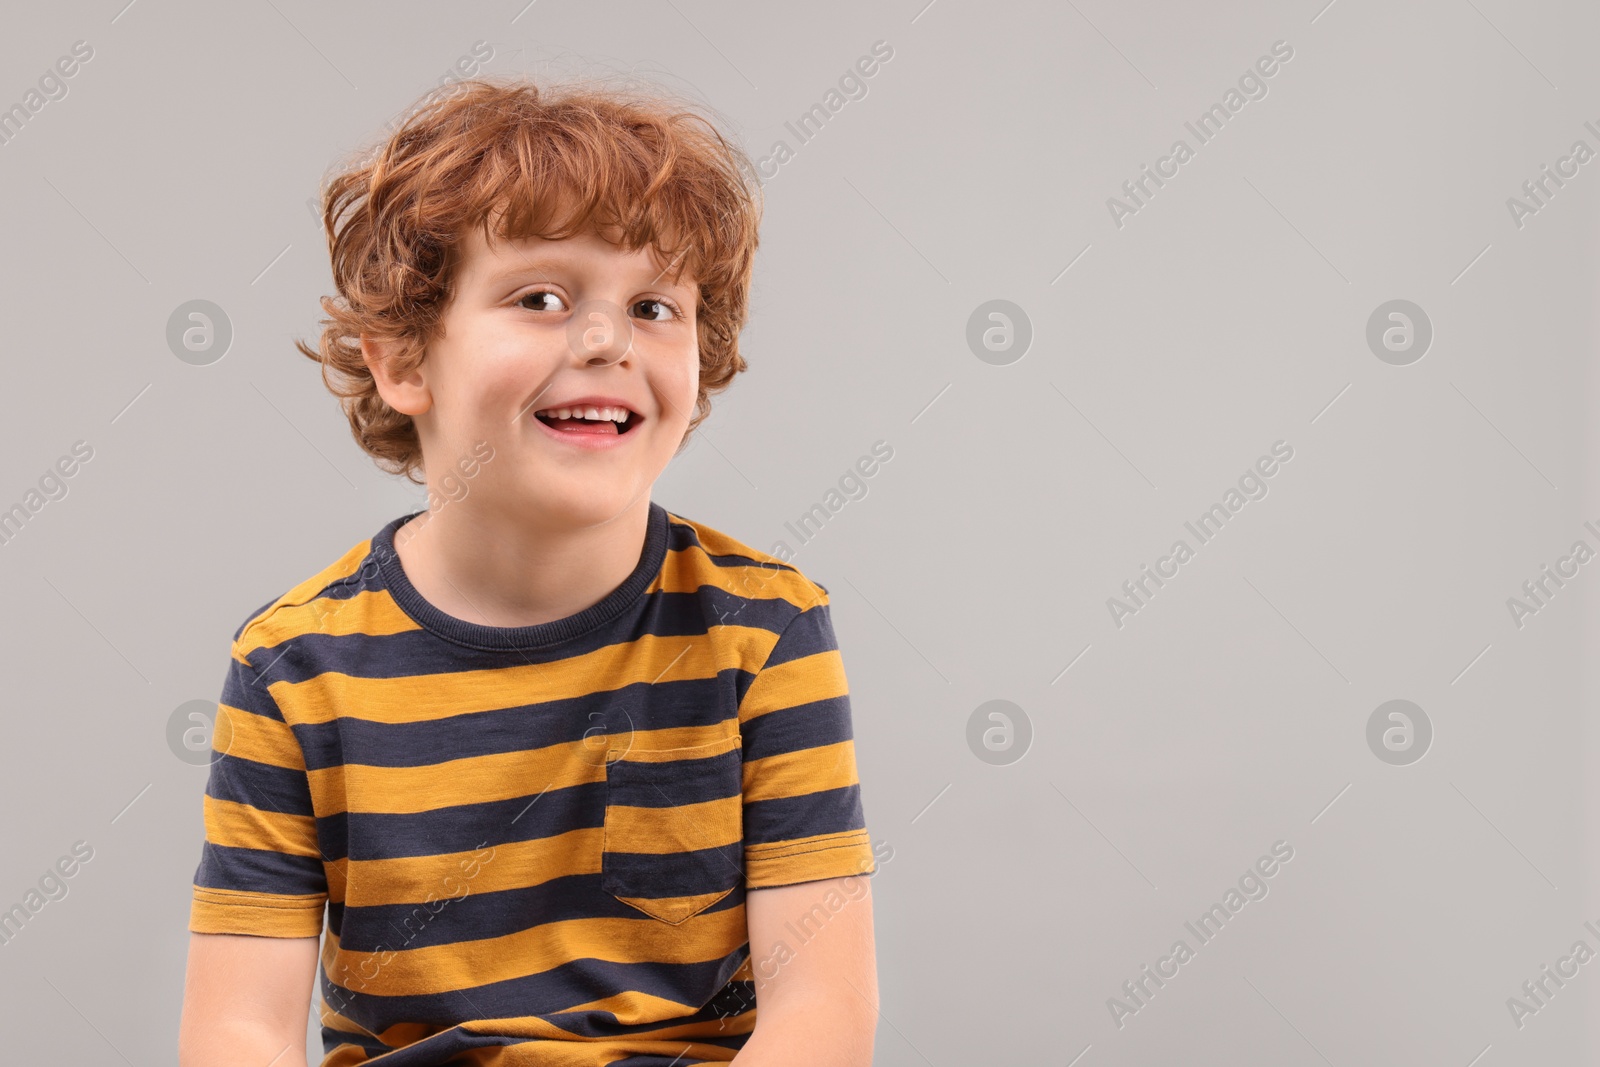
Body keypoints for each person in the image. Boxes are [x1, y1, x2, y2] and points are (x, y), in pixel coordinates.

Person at [177, 75, 885, 1067]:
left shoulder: (763, 629)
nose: (606, 341)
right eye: (540, 298)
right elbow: (236, 1026)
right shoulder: (291, 666)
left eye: (653, 305)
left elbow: (822, 1014)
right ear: (402, 363)